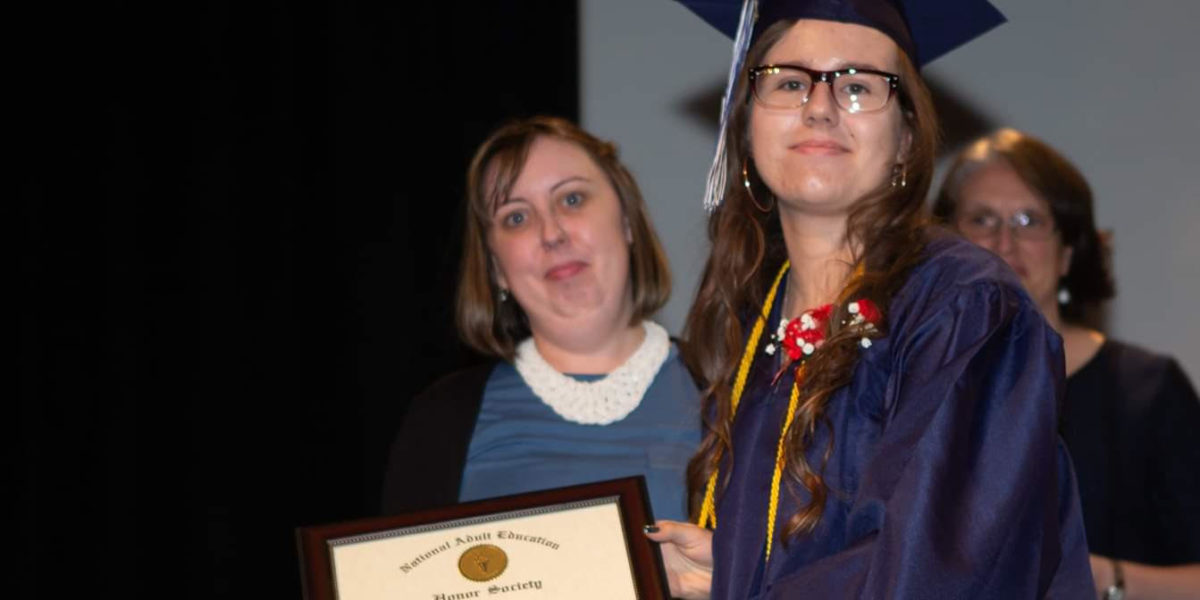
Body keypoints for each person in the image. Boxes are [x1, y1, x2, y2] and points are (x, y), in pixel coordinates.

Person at [645, 1, 1094, 597]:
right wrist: (728, 564)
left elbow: (936, 574)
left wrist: (741, 584)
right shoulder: (755, 321)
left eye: (858, 86)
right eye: (789, 82)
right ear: (747, 128)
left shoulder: (965, 309)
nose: (820, 107)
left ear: (907, 140)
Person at [381, 116, 700, 521]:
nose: (552, 233)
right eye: (517, 217)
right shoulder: (439, 421)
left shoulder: (732, 395)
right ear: (496, 267)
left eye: (572, 199)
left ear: (625, 220)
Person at [934, 128, 1200, 600]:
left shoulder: (1147, 391)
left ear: (1068, 252)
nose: (1003, 241)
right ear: (947, 243)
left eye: (1029, 220)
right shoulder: (916, 389)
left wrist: (1104, 581)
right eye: (981, 219)